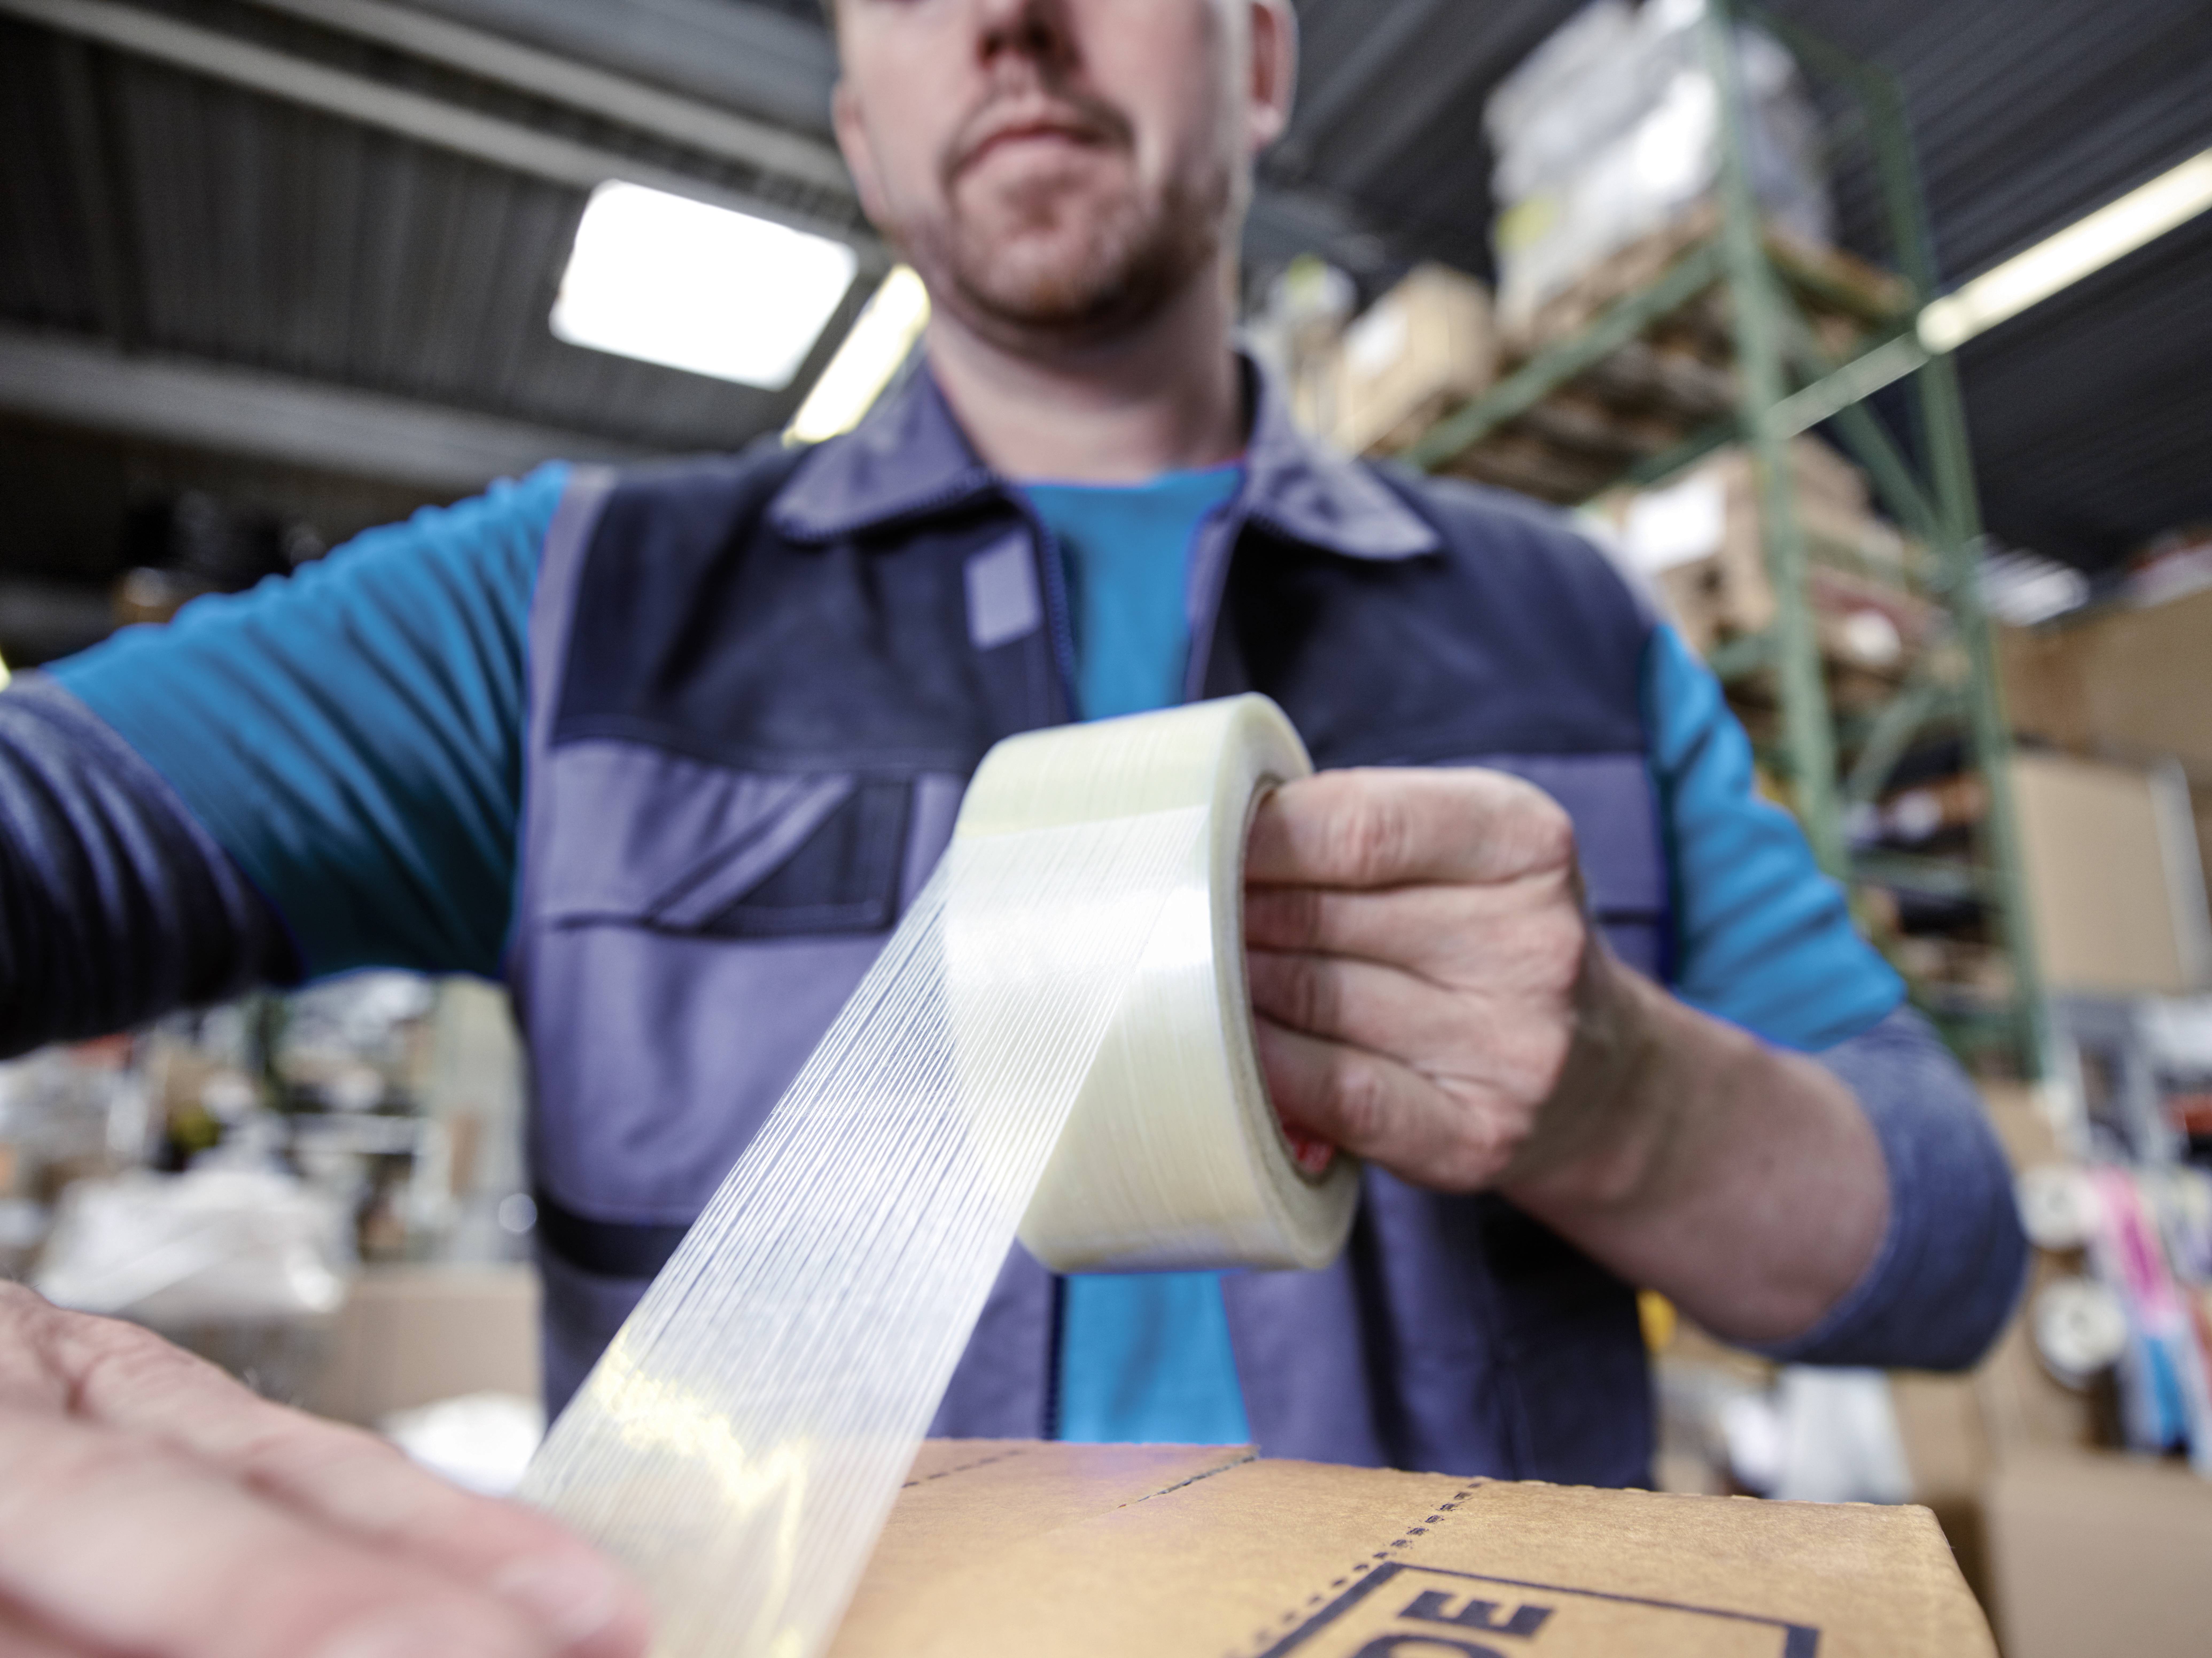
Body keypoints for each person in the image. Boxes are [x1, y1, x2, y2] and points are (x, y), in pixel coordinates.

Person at [0, 0, 2024, 1651]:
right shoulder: (563, 618)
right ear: (864, 124)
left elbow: (1943, 1251)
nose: (1013, 24)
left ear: (1254, 60)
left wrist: (1630, 1109)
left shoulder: (1566, 628)